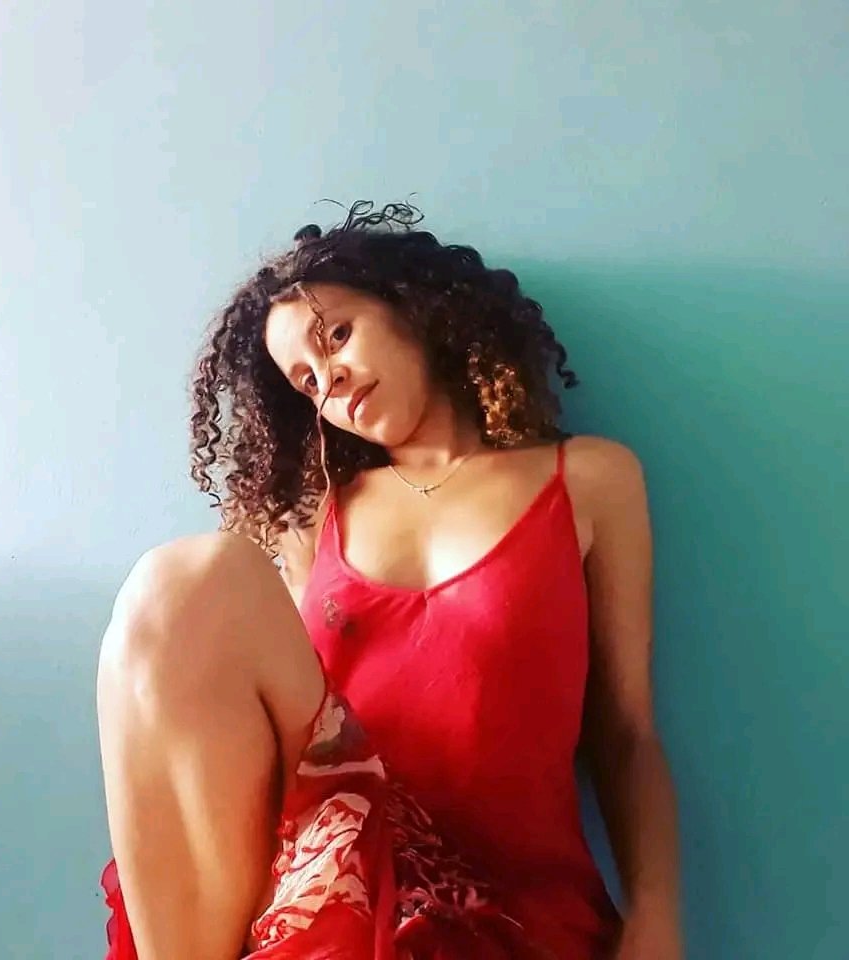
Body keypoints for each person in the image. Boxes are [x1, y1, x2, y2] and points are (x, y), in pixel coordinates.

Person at [95, 201, 682, 959]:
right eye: (306, 381)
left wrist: (656, 914)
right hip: (346, 887)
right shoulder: (313, 517)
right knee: (180, 581)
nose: (330, 379)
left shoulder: (591, 479)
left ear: (413, 310)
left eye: (337, 336)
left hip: (512, 906)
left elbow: (626, 732)